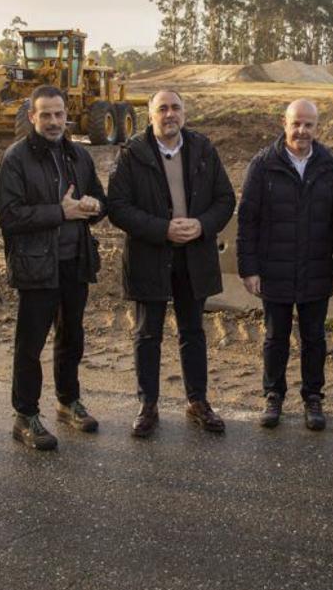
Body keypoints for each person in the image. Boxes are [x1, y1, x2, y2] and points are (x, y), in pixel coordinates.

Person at [107, 89, 236, 438]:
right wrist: (162, 229)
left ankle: (198, 402)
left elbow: (225, 199)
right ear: (150, 115)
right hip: (150, 255)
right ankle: (148, 405)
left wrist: (202, 225)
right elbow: (117, 206)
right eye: (162, 108)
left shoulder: (203, 149)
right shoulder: (132, 153)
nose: (170, 114)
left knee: (193, 331)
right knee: (147, 333)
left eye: (175, 108)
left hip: (195, 257)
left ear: (184, 113)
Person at [0, 85, 106, 451]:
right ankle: (25, 415)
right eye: (46, 115)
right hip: (36, 264)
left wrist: (94, 206)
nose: (54, 121)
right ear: (32, 117)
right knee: (31, 344)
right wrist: (60, 212)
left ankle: (68, 401)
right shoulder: (15, 158)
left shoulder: (78, 155)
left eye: (59, 114)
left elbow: (100, 200)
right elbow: (9, 216)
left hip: (75, 261)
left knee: (72, 336)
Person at [236, 98, 333, 430]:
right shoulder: (263, 165)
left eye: (308, 125)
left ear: (317, 127)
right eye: (296, 123)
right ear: (283, 123)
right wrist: (249, 268)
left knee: (315, 338)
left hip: (317, 269)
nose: (302, 130)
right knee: (276, 337)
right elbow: (247, 221)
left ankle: (313, 397)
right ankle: (273, 395)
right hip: (275, 268)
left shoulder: (329, 166)